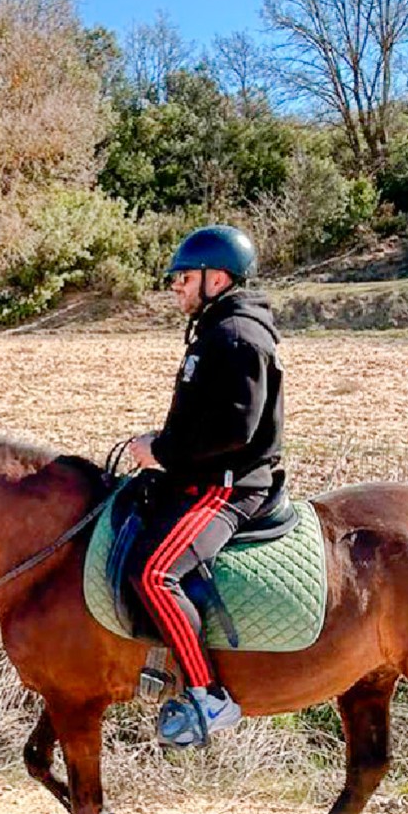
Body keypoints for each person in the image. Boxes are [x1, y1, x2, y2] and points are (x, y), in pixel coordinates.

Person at [126, 225, 285, 747]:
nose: (175, 285)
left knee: (152, 574)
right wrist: (162, 444)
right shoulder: (214, 328)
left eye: (183, 277)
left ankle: (207, 696)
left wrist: (163, 452)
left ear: (217, 278)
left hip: (229, 487)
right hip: (200, 475)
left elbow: (234, 432)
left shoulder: (238, 337)